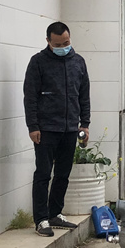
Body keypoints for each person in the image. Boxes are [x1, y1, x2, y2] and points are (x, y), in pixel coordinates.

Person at [23, 22, 90, 236]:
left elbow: (84, 95)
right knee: (43, 173)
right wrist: (33, 126)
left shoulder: (78, 62)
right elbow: (30, 96)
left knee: (63, 173)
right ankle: (41, 219)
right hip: (46, 129)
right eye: (58, 44)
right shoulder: (38, 62)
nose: (63, 47)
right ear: (48, 41)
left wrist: (85, 124)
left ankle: (55, 213)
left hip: (70, 128)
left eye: (66, 43)